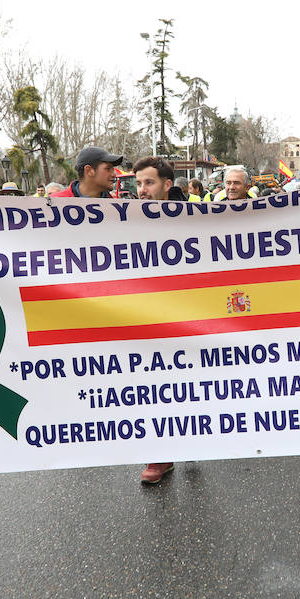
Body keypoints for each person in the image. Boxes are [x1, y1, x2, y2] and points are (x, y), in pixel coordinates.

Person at [131, 156, 189, 484]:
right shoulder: (120, 220)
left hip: (190, 318)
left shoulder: (198, 218)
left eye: (149, 183)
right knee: (154, 386)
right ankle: (160, 455)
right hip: (147, 319)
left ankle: (196, 435)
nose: (142, 190)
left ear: (168, 185)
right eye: (138, 184)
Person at [50, 148, 124, 199]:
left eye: (113, 169)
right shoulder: (53, 204)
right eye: (108, 169)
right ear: (89, 170)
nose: (114, 174)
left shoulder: (117, 209)